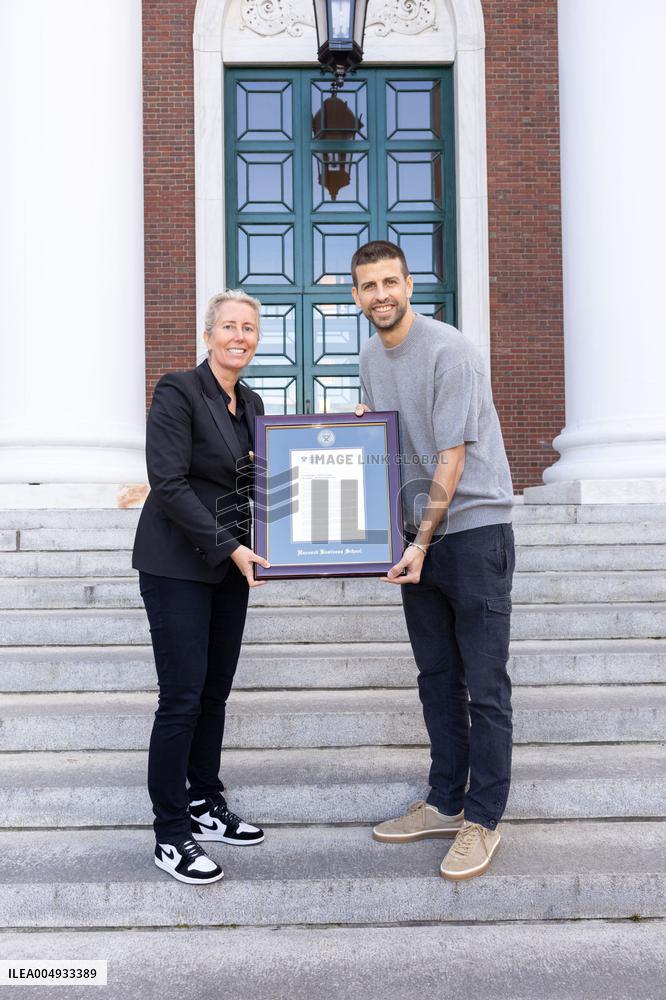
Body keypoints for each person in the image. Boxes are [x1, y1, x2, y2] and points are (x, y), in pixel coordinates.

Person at [351, 241, 515, 881]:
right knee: (436, 679)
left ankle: (483, 816)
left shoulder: (450, 352)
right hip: (419, 536)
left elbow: (449, 458)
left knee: (485, 683)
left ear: (410, 285)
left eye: (390, 282)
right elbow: (390, 443)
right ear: (357, 296)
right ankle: (446, 799)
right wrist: (364, 426)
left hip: (472, 531)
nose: (381, 295)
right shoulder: (370, 354)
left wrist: (418, 543)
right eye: (369, 286)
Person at [132, 289, 271, 885]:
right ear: (209, 334)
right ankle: (170, 835)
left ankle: (204, 802)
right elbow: (167, 482)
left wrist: (352, 428)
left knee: (213, 695)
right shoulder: (178, 390)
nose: (239, 336)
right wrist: (233, 547)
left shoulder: (254, 402)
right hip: (178, 565)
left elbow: (273, 476)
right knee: (182, 699)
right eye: (229, 327)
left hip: (228, 568)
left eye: (249, 328)